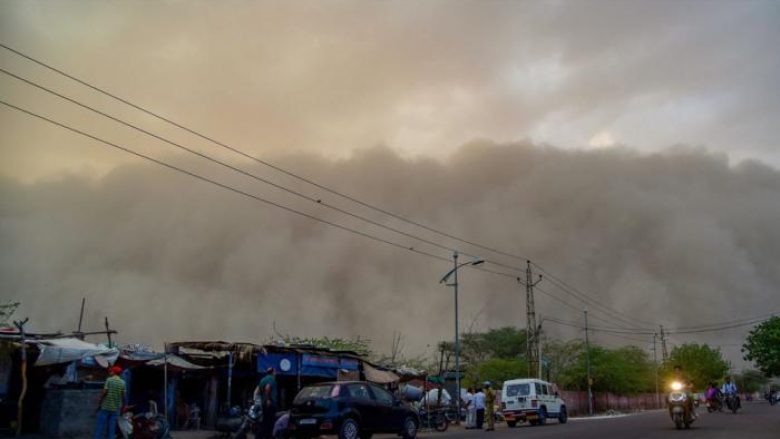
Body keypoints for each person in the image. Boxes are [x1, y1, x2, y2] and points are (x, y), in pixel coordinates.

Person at [93, 365, 126, 439]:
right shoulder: (123, 383)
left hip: (105, 407)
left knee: (100, 426)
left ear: (114, 372)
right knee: (112, 428)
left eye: (111, 371)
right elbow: (123, 396)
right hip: (115, 408)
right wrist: (123, 406)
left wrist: (99, 403)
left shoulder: (109, 380)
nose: (110, 372)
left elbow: (104, 393)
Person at [254, 367, 278, 439]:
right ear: (272, 372)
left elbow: (258, 391)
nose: (275, 373)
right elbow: (268, 388)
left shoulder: (263, 379)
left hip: (263, 404)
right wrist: (268, 399)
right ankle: (261, 436)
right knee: (269, 422)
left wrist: (261, 399)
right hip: (270, 404)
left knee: (265, 421)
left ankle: (266, 436)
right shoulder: (271, 379)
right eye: (275, 372)